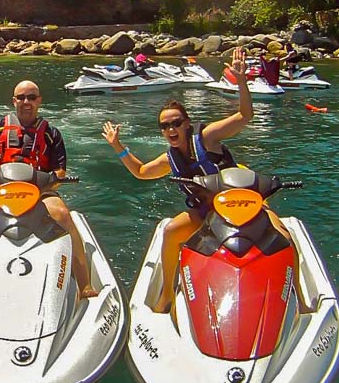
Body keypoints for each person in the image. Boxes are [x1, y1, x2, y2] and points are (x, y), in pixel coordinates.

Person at [103, 46, 295, 313]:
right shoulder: (168, 159)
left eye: (175, 123)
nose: (171, 129)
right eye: (165, 126)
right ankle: (167, 295)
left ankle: (299, 297)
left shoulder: (208, 138)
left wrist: (241, 80)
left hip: (244, 205)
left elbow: (245, 116)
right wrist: (118, 146)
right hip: (208, 213)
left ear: (186, 123)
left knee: (284, 236)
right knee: (171, 231)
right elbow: (141, 172)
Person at [0, 80, 98, 303]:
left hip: (40, 191)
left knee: (63, 214)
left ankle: (85, 285)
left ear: (39, 101)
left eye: (31, 97)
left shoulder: (51, 133)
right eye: (21, 97)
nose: (26, 102)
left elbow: (60, 172)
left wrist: (47, 182)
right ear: (14, 100)